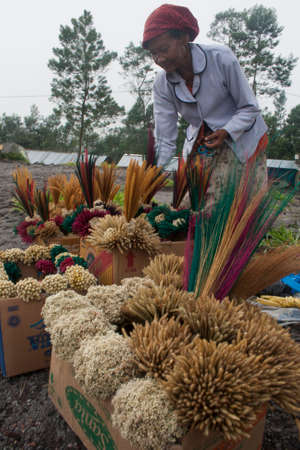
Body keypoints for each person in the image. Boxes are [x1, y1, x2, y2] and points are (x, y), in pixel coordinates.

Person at [142, 4, 268, 203]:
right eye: (153, 54)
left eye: (164, 49)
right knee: (198, 207)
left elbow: (249, 107)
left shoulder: (221, 59)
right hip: (203, 144)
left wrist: (227, 131)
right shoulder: (162, 83)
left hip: (242, 138)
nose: (160, 59)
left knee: (239, 210)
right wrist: (152, 176)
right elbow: (165, 138)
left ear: (184, 38)